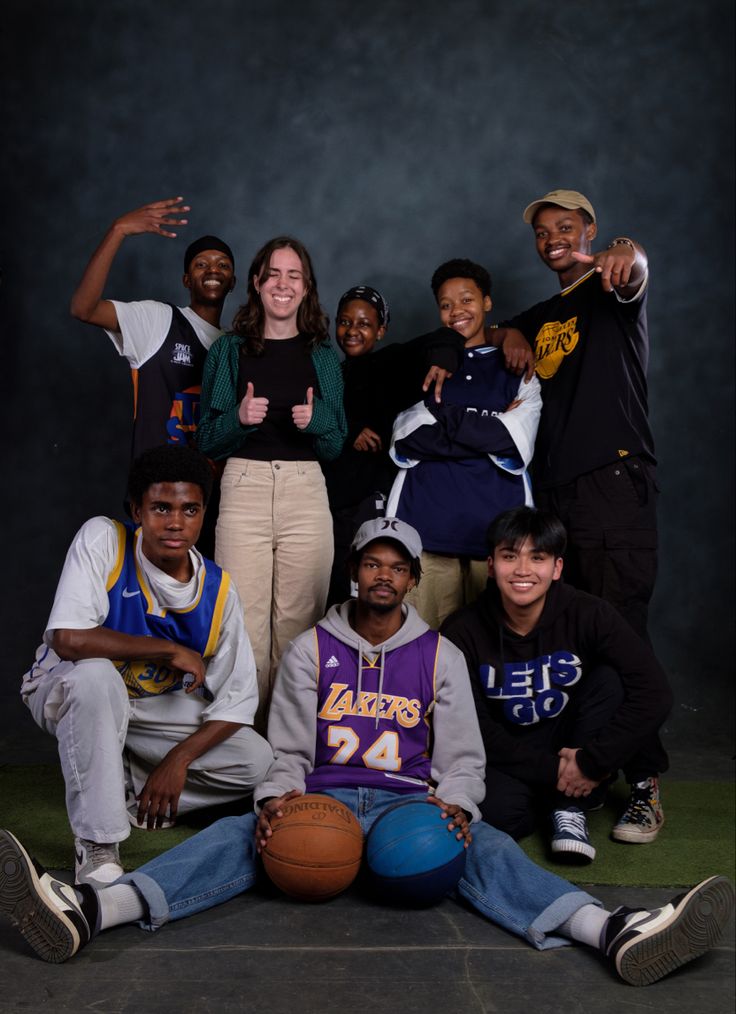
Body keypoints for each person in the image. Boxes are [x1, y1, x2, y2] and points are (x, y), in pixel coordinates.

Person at [1, 518, 732, 987]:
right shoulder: (311, 648)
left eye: (397, 566)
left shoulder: (440, 654)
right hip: (319, 795)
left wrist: (455, 804)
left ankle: (609, 930)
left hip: (408, 802)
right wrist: (272, 799)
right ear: (356, 573)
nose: (383, 576)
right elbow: (283, 745)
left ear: (413, 578)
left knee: (484, 847)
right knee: (238, 838)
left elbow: (465, 758)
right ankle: (95, 909)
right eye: (371, 565)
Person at [494, 189, 667, 843]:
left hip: (612, 484)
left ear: (589, 229)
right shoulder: (547, 313)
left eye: (564, 228)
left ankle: (646, 785)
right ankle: (591, 771)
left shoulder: (608, 285)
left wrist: (627, 252)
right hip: (559, 496)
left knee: (621, 637)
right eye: (541, 233)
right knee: (575, 644)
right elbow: (498, 328)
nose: (552, 239)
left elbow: (634, 267)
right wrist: (511, 332)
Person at [21, 445, 273, 887]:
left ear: (203, 514)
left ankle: (133, 793)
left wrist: (176, 761)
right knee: (98, 677)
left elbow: (235, 704)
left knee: (255, 759)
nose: (175, 522)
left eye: (189, 509)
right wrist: (165, 650)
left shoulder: (219, 591)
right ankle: (98, 847)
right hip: (67, 689)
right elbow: (67, 638)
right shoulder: (105, 538)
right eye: (160, 507)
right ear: (137, 510)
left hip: (147, 710)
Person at [441, 506, 672, 860]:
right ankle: (570, 794)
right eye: (509, 556)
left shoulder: (589, 613)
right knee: (501, 817)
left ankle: (570, 806)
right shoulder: (462, 630)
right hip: (509, 754)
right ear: (491, 565)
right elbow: (473, 726)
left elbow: (654, 691)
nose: (522, 570)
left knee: (610, 679)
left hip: (577, 741)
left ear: (557, 568)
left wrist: (593, 762)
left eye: (538, 557)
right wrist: (558, 772)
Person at [196, 236, 346, 730]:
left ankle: (289, 754)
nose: (283, 284)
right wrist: (238, 418)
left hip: (307, 490)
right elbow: (207, 443)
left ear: (307, 290)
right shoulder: (229, 351)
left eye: (294, 276)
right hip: (244, 487)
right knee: (243, 630)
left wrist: (317, 421)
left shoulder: (322, 354)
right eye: (274, 274)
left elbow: (335, 445)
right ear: (257, 284)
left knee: (299, 631)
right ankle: (243, 753)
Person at [387, 259, 542, 628]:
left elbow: (511, 440)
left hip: (498, 536)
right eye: (446, 304)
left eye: (467, 299)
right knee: (421, 651)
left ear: (487, 303)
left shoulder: (517, 366)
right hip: (424, 530)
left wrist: (445, 415)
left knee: (491, 654)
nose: (457, 311)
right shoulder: (425, 364)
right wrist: (487, 424)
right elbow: (409, 436)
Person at [322, 284, 464, 604]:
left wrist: (443, 359)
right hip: (327, 502)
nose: (352, 331)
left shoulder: (390, 363)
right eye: (345, 322)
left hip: (369, 499)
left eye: (364, 323)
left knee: (363, 593)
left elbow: (446, 337)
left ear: (381, 330)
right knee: (329, 594)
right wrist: (350, 429)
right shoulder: (328, 372)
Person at [70, 195, 236, 462]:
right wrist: (118, 230)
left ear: (233, 283)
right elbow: (83, 308)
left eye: (223, 265)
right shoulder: (159, 320)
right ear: (185, 280)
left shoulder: (235, 346)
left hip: (212, 491)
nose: (212, 270)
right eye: (201, 265)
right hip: (156, 491)